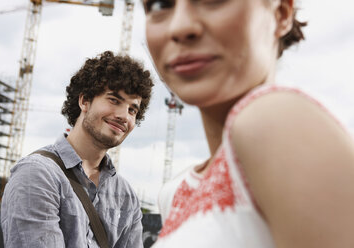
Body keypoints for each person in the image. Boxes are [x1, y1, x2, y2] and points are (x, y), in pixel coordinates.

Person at [144, 0, 354, 247]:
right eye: (159, 5)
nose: (179, 27)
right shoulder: (175, 191)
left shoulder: (277, 119)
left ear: (281, 14)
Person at [0, 51, 154, 248]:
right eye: (114, 100)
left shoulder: (126, 195)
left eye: (132, 109)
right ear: (84, 101)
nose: (124, 116)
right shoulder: (37, 174)